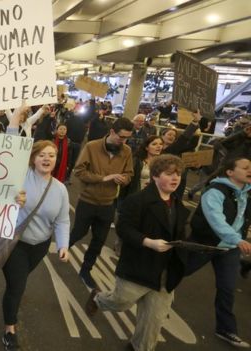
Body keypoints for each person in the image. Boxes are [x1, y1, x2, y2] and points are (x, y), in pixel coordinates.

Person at [85, 154, 189, 351]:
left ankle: (138, 347)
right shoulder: (137, 201)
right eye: (169, 174)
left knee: (153, 322)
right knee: (120, 302)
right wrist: (148, 242)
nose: (175, 178)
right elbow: (124, 228)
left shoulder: (178, 204)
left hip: (165, 274)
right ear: (155, 176)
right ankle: (99, 299)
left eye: (178, 174)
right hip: (139, 265)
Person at [1, 118, 70, 350]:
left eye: (51, 155)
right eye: (42, 154)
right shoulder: (20, 175)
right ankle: (10, 329)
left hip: (40, 246)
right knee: (16, 286)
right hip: (16, 243)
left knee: (18, 282)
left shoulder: (60, 189)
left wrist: (63, 245)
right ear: (33, 158)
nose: (47, 158)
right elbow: (10, 148)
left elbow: (62, 220)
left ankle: (12, 298)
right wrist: (14, 120)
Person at [185, 156, 251, 348]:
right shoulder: (214, 191)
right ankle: (154, 300)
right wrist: (237, 239)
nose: (250, 170)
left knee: (227, 289)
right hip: (205, 244)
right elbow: (216, 220)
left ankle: (225, 329)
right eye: (245, 167)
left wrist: (235, 240)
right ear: (230, 172)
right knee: (177, 272)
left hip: (229, 249)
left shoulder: (246, 193)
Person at [69, 117, 134, 289]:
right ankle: (63, 246)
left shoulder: (126, 151)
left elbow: (129, 173)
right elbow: (79, 171)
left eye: (127, 138)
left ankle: (85, 270)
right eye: (121, 137)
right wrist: (104, 178)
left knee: (99, 240)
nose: (124, 141)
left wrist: (124, 179)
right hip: (87, 200)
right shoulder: (92, 146)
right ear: (112, 132)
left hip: (108, 204)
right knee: (78, 233)